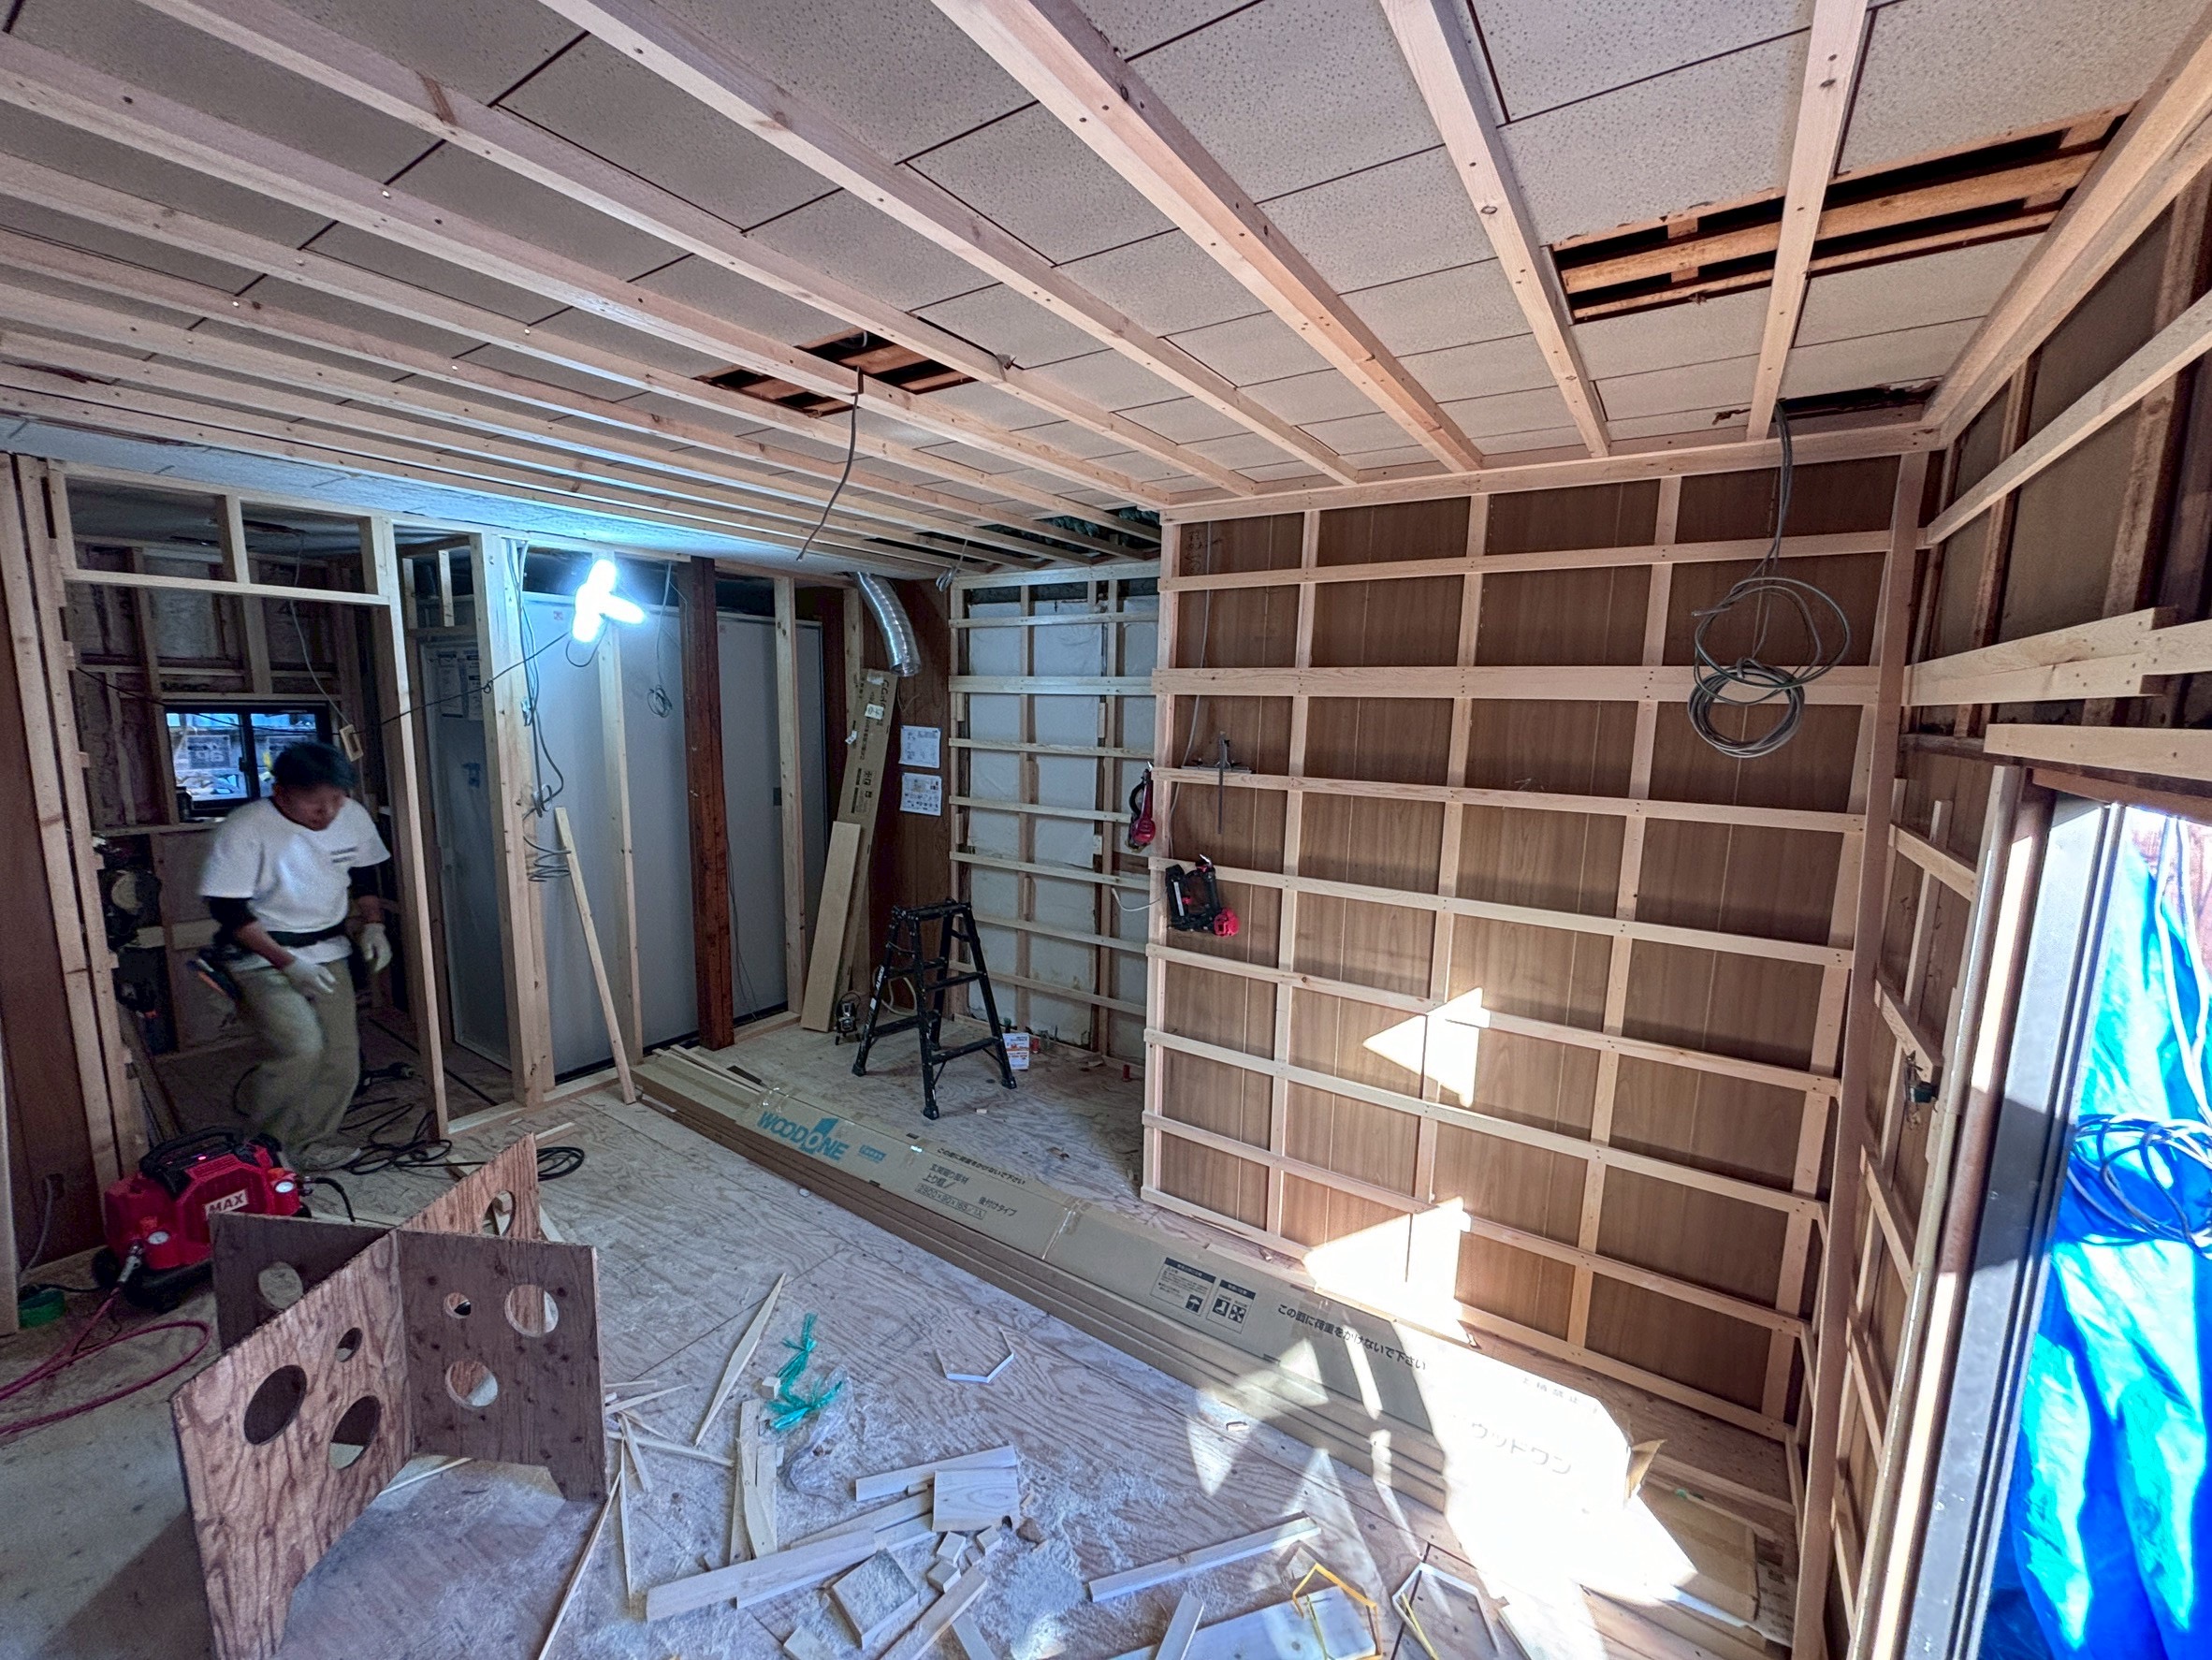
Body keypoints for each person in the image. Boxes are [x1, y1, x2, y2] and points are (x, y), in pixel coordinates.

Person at [198, 739, 392, 1159]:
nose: (328, 813)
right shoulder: (245, 828)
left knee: (341, 1058)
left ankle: (308, 1143)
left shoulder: (351, 816)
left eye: (336, 801)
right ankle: (264, 1148)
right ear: (280, 792)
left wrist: (374, 925)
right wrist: (288, 964)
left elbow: (363, 875)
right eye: (314, 804)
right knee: (301, 1049)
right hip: (261, 955)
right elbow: (227, 909)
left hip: (327, 948)